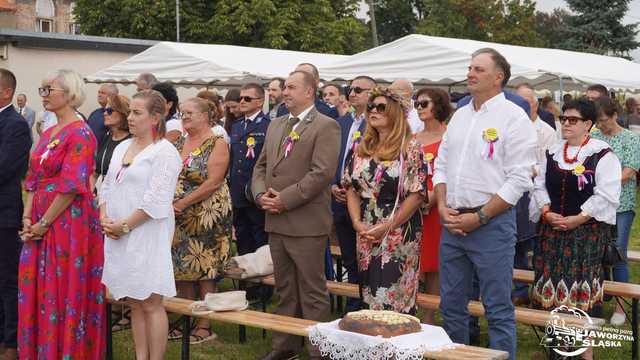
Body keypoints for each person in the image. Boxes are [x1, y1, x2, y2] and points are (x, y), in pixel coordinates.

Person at [433, 48, 536, 360]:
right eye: (469, 67)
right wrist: (441, 205)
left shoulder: (513, 118)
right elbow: (441, 164)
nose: (470, 73)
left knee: (498, 307)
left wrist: (479, 217)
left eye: (478, 69)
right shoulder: (461, 114)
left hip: (491, 225)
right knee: (451, 305)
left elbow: (519, 179)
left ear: (498, 77)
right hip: (452, 223)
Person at [252, 70, 340, 360]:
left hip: (305, 223)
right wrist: (260, 194)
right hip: (275, 221)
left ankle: (320, 352)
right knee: (285, 288)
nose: (285, 92)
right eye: (284, 87)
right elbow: (262, 166)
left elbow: (322, 173)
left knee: (312, 291)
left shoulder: (326, 126)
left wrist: (285, 200)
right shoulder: (277, 124)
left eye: (291, 87)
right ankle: (285, 346)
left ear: (309, 92)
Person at [19, 69, 105, 359]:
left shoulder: (81, 133)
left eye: (49, 90)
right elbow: (33, 177)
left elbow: (71, 186)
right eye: (42, 89)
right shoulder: (48, 131)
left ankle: (64, 351)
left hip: (66, 220)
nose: (43, 95)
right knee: (37, 285)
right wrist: (28, 217)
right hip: (41, 218)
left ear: (69, 95)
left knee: (61, 288)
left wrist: (43, 223)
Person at [529, 99, 621, 359]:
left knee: (579, 294)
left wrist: (578, 218)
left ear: (588, 124)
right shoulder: (553, 151)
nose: (566, 124)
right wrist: (546, 211)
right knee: (554, 293)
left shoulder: (602, 154)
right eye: (563, 119)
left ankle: (584, 354)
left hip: (585, 236)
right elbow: (538, 185)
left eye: (573, 120)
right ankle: (557, 351)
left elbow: (607, 194)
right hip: (552, 234)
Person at [100, 90, 181, 360]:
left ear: (155, 118)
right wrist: (105, 217)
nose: (130, 118)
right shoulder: (123, 146)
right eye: (130, 112)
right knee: (135, 301)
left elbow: (156, 200)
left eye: (137, 112)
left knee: (151, 303)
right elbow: (107, 184)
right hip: (119, 234)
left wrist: (124, 225)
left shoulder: (165, 152)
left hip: (147, 234)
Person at [343, 87, 426, 314]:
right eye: (371, 106)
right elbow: (351, 187)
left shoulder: (410, 148)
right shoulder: (362, 148)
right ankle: (372, 344)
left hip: (398, 227)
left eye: (381, 107)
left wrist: (388, 226)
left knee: (393, 293)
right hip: (366, 225)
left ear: (396, 114)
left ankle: (395, 344)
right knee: (369, 289)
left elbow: (417, 194)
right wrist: (356, 222)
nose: (374, 111)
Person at [171, 97, 232, 344]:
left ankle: (205, 324)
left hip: (207, 213)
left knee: (205, 268)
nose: (183, 117)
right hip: (178, 213)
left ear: (206, 116)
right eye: (181, 113)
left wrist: (183, 203)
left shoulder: (217, 143)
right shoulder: (179, 141)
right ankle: (187, 318)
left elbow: (213, 182)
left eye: (189, 113)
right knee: (183, 267)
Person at [591, 96, 640, 326]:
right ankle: (596, 305)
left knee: (618, 253)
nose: (600, 125)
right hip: (597, 205)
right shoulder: (595, 136)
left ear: (614, 115)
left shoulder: (631, 139)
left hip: (621, 206)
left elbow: (628, 172)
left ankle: (621, 306)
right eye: (597, 121)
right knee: (596, 256)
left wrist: (603, 183)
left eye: (603, 120)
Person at [332, 75, 376, 313]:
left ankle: (367, 303)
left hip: (366, 201)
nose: (353, 93)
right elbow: (333, 157)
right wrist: (332, 184)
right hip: (339, 197)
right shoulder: (343, 122)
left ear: (373, 93)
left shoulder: (377, 123)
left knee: (366, 257)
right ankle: (354, 303)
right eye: (350, 89)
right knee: (349, 256)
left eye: (359, 89)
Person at [511, 83, 557, 307]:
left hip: (535, 194)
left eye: (526, 103)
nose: (521, 106)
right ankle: (519, 290)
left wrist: (527, 169)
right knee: (514, 244)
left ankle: (537, 290)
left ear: (536, 106)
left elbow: (549, 167)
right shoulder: (509, 126)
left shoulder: (547, 132)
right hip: (512, 191)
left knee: (533, 245)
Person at [0, 69, 31, 360]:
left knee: (7, 280)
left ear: (7, 92)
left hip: (4, 215)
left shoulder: (15, 124)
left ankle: (10, 342)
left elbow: (5, 167)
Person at [413, 87, 451, 324]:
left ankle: (430, 317)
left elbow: (449, 172)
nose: (419, 108)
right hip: (414, 204)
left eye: (424, 103)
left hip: (437, 204)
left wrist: (431, 198)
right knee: (416, 260)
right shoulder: (413, 138)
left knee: (434, 264)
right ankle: (411, 310)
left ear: (438, 106)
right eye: (417, 104)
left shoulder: (449, 136)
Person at [231, 84, 270, 256]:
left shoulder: (268, 126)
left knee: (259, 241)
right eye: (240, 98)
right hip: (238, 193)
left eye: (247, 98)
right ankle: (246, 282)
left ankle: (261, 283)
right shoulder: (237, 125)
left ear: (260, 101)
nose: (242, 101)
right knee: (242, 239)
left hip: (256, 194)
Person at [94, 94, 132, 193]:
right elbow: (95, 172)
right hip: (100, 195)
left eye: (110, 111)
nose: (105, 113)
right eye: (104, 110)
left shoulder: (132, 141)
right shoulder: (106, 136)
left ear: (122, 113)